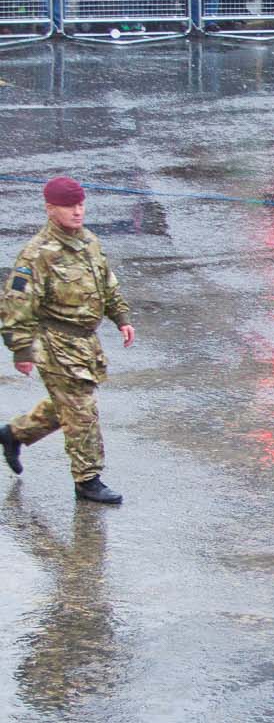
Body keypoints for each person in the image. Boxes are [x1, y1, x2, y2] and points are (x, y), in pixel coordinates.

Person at [2, 177, 134, 505]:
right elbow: (16, 304)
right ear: (50, 209)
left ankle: (15, 433)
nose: (77, 212)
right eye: (69, 206)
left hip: (85, 342)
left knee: (70, 403)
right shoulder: (37, 254)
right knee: (81, 410)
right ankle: (87, 480)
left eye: (80, 205)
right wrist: (21, 349)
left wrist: (121, 317)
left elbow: (107, 284)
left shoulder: (88, 241)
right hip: (54, 342)